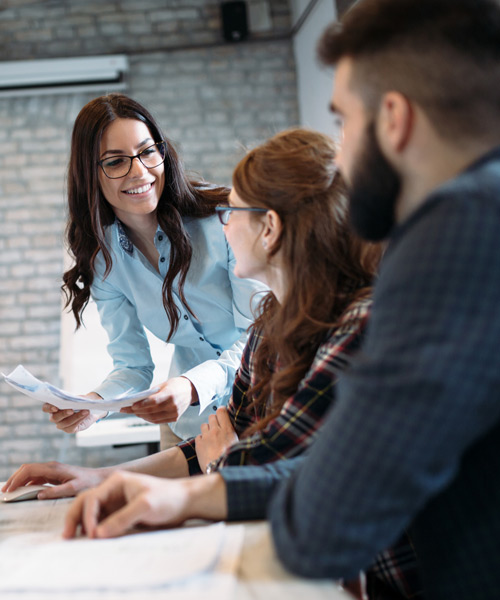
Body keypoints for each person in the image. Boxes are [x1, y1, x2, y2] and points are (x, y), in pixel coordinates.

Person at [53, 1, 500, 599]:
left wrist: (218, 465)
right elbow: (311, 471)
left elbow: (323, 505)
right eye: (114, 161)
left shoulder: (443, 249)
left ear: (392, 118)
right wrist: (106, 467)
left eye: (342, 120)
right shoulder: (273, 317)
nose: (339, 154)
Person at [44, 93, 265, 447]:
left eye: (148, 151)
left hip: (267, 410)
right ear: (90, 175)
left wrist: (192, 386)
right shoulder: (105, 262)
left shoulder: (224, 219)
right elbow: (133, 366)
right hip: (191, 428)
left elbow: (260, 337)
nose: (140, 172)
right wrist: (95, 405)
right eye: (115, 162)